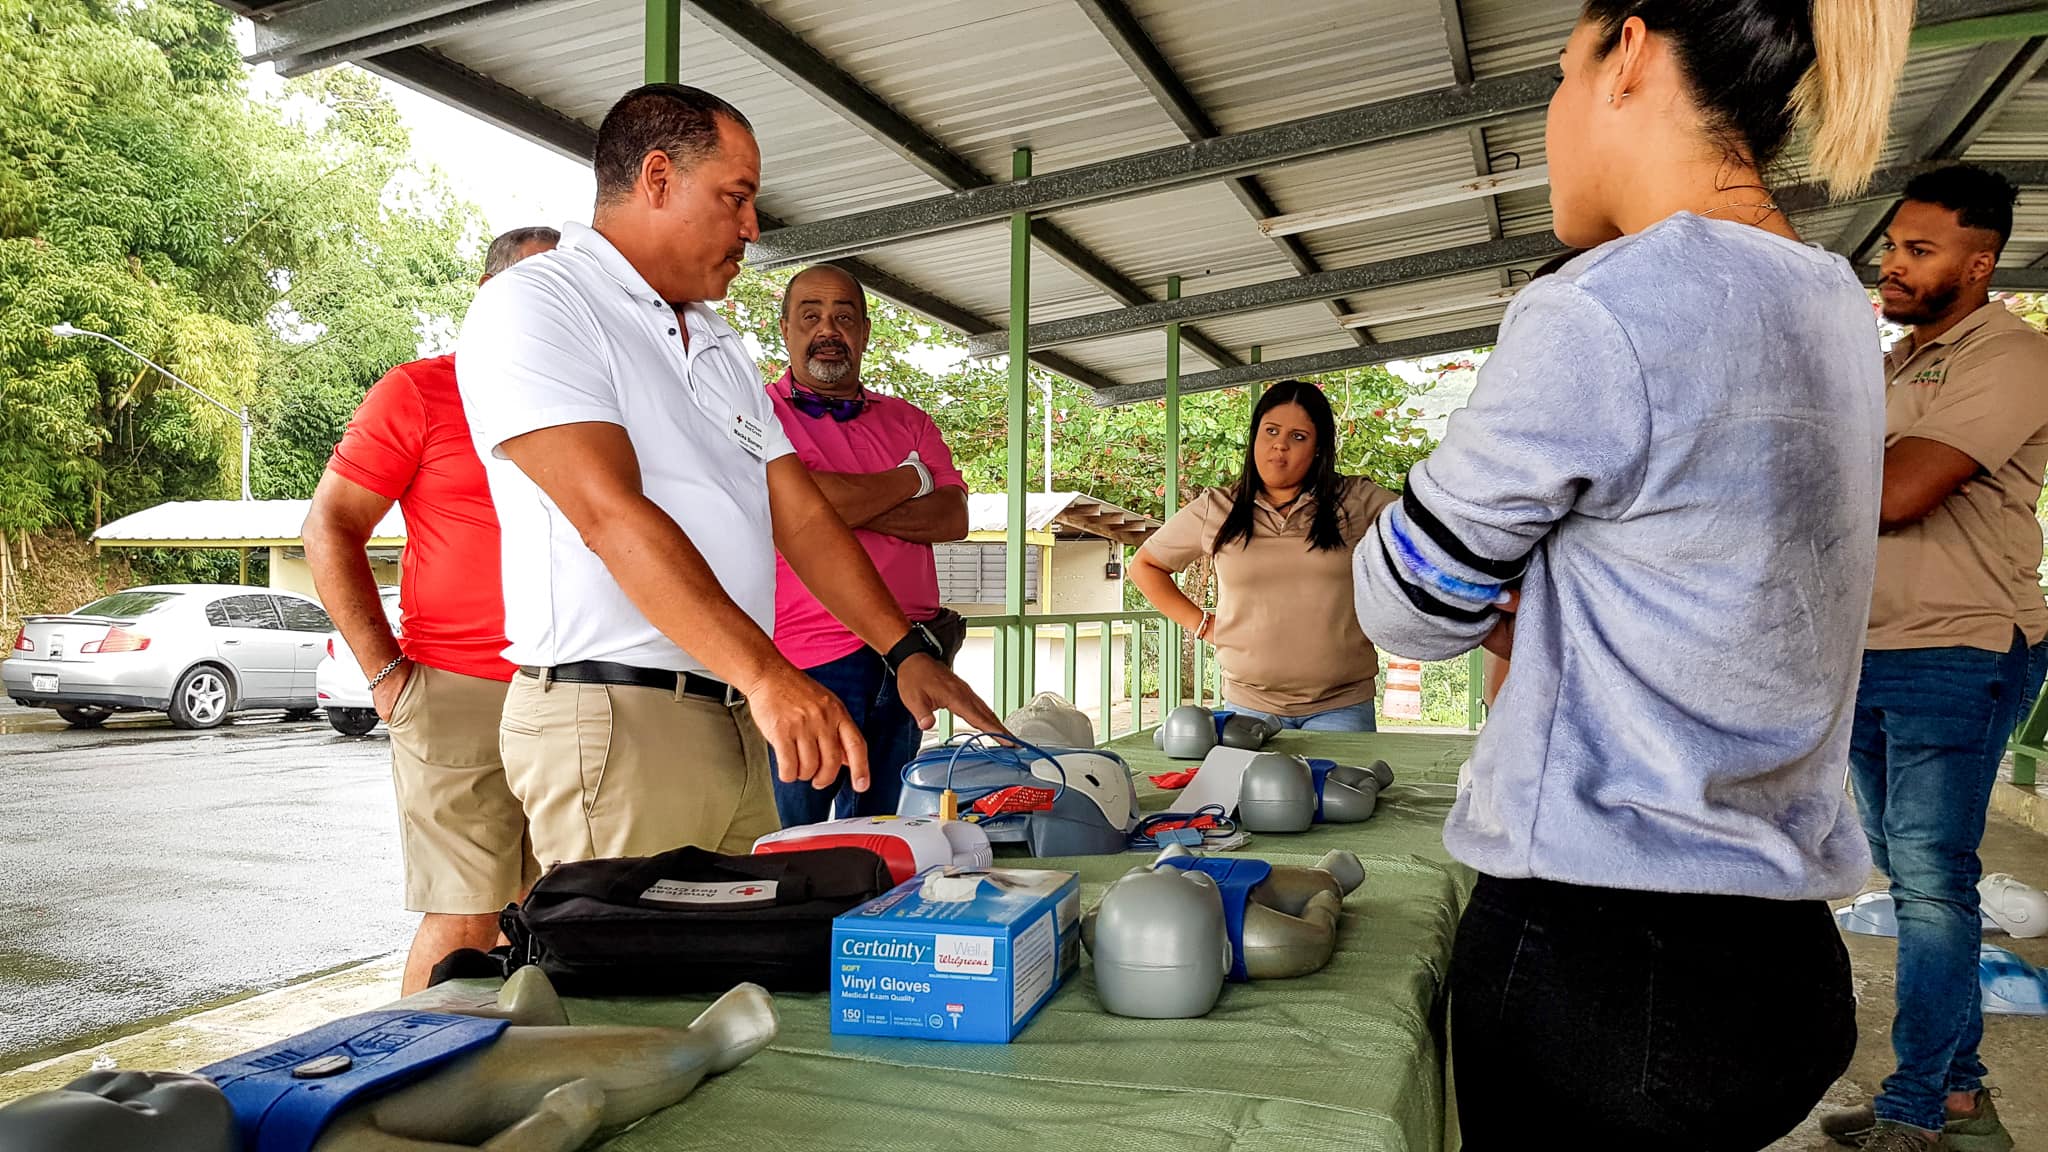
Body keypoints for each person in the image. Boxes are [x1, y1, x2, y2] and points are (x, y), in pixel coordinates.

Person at [1351, 2, 1909, 1147]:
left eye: (1559, 77)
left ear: (1630, 55)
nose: (1549, 120)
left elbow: (1402, 605)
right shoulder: (1832, 304)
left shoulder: (1601, 308)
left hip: (1607, 965)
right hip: (1781, 953)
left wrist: (1512, 571)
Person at [454, 85, 1003, 868]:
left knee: (747, 972)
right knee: (643, 983)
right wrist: (772, 675)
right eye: (736, 198)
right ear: (657, 178)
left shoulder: (718, 345)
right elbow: (610, 515)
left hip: (736, 707)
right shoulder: (542, 304)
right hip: (621, 710)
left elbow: (803, 518)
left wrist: (905, 650)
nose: (751, 227)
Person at [1822, 165, 2048, 1151]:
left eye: (1918, 250)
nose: (1893, 264)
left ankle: (1911, 1105)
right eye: (1891, 247)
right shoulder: (1891, 363)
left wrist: (1811, 467)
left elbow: (1894, 491)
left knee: (1928, 887)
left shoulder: (2010, 355)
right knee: (1906, 875)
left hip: (1957, 649)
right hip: (1871, 651)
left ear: (1978, 261)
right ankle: (1950, 1082)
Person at [303, 225, 558, 996]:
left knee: (552, 914)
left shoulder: (586, 406)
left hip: (568, 689)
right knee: (464, 920)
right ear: (489, 296)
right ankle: (405, 1081)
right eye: (538, 288)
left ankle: (513, 1077)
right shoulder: (420, 390)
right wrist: (386, 674)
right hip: (454, 690)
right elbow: (329, 527)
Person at [765, 264, 969, 826]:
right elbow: (798, 506)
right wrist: (911, 479)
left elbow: (953, 517)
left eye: (843, 317)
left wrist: (837, 504)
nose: (827, 328)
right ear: (785, 328)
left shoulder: (909, 420)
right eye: (811, 316)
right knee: (796, 832)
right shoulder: (761, 415)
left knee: (886, 829)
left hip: (912, 652)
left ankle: (868, 916)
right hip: (811, 656)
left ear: (865, 332)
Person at [1132, 380, 1395, 732]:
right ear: (1255, 436)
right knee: (1256, 790)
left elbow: (1431, 529)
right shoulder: (1218, 507)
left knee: (1339, 790)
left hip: (1341, 707)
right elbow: (1145, 566)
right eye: (1270, 431)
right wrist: (1203, 625)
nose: (1279, 446)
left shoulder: (1356, 501)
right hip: (1249, 707)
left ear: (1319, 449)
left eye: (1298, 437)